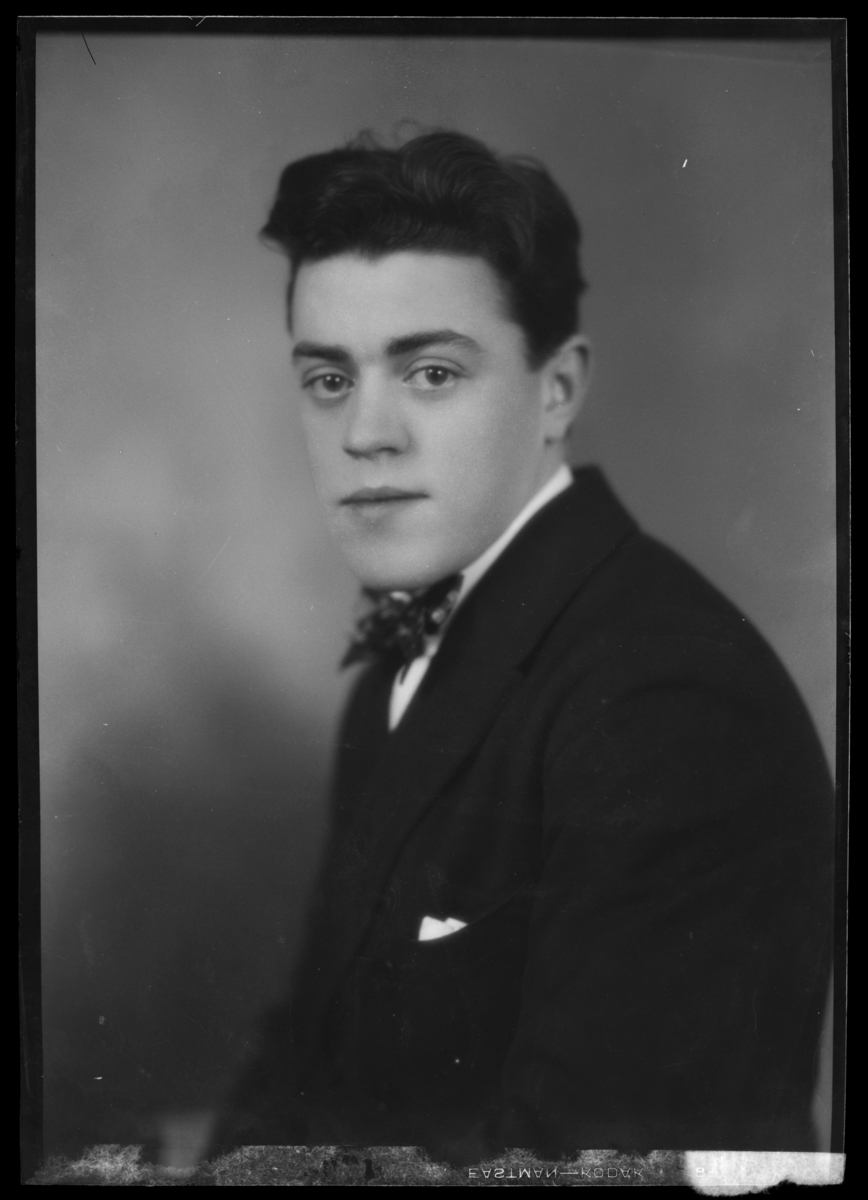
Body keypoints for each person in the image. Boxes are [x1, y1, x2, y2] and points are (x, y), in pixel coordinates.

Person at [212, 131, 834, 1163]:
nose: (364, 433)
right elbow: (303, 1060)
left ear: (558, 390)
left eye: (431, 372)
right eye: (328, 379)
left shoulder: (668, 706)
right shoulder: (397, 670)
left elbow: (579, 1171)